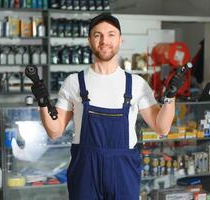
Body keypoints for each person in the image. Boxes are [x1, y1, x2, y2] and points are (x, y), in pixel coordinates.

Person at [31, 13, 184, 200]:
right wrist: (42, 101)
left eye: (111, 34)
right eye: (98, 35)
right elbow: (55, 131)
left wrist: (171, 96)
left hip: (123, 170)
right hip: (85, 169)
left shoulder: (136, 84)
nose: (105, 41)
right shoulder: (73, 82)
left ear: (120, 40)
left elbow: (162, 127)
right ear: (89, 40)